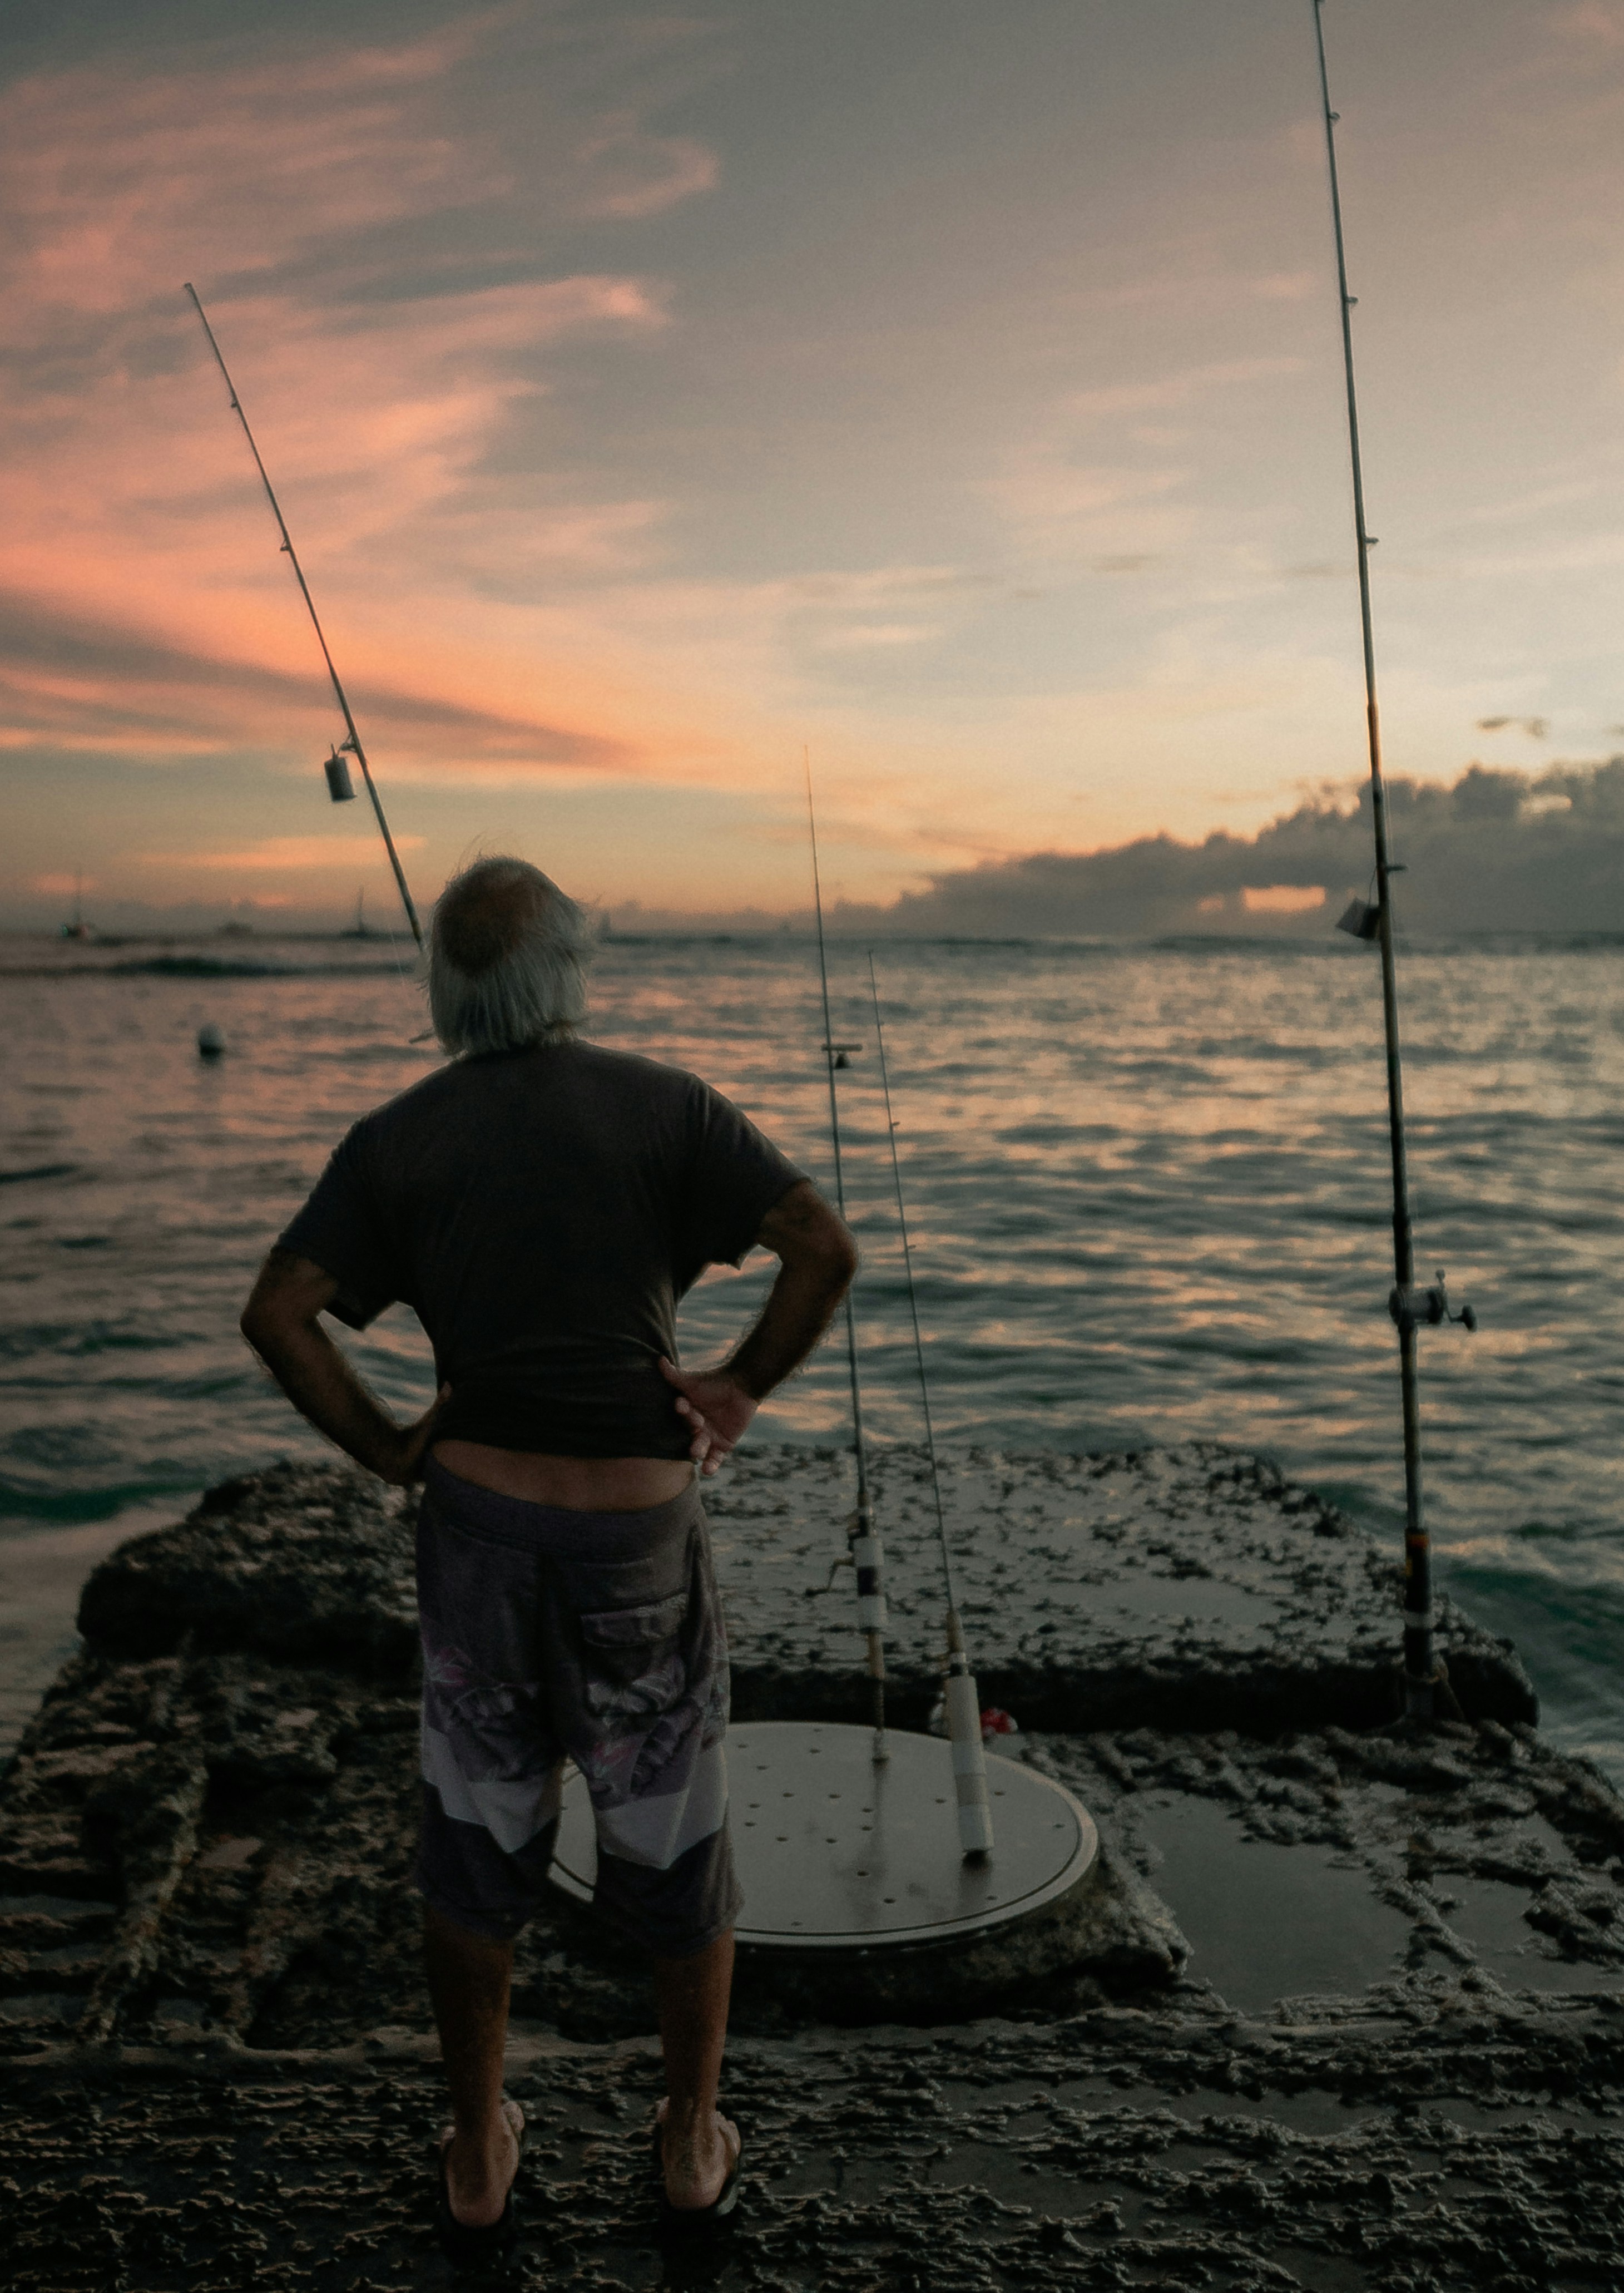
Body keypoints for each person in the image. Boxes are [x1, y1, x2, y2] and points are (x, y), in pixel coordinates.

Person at [240, 856, 856, 2258]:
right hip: (637, 1534)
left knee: (474, 1842)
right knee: (676, 1833)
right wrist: (738, 1387)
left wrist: (387, 1446)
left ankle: (477, 2155)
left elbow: (278, 1312)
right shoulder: (672, 1107)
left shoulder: (395, 1136)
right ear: (570, 968)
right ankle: (688, 2143)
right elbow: (822, 1248)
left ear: (447, 991)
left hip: (479, 1531)